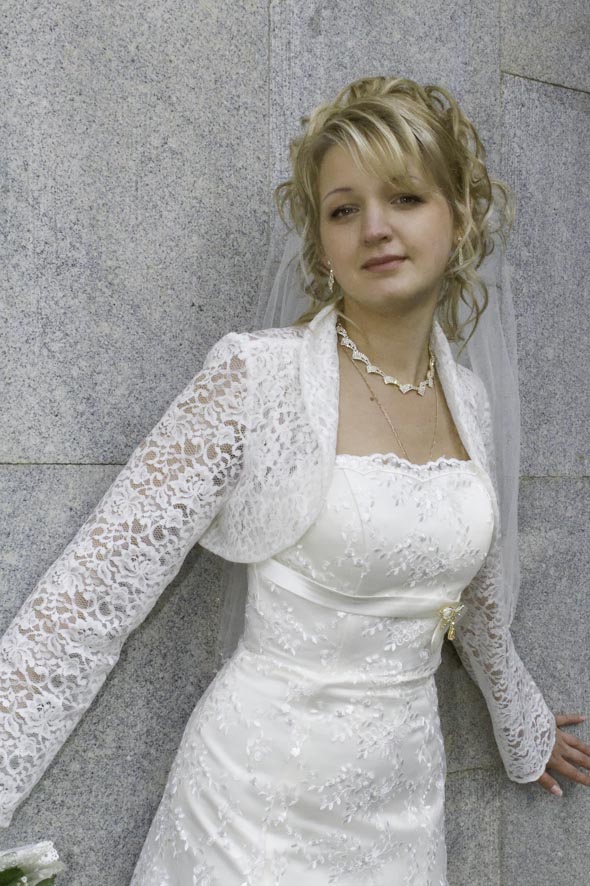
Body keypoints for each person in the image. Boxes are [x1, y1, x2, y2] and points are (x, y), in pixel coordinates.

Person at [1, 75, 588, 885]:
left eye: (405, 197)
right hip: (252, 811)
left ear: (458, 216)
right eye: (344, 210)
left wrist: (524, 725)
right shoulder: (257, 379)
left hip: (403, 808)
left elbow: (466, 605)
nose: (374, 228)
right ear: (321, 242)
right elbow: (93, 595)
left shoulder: (471, 402)